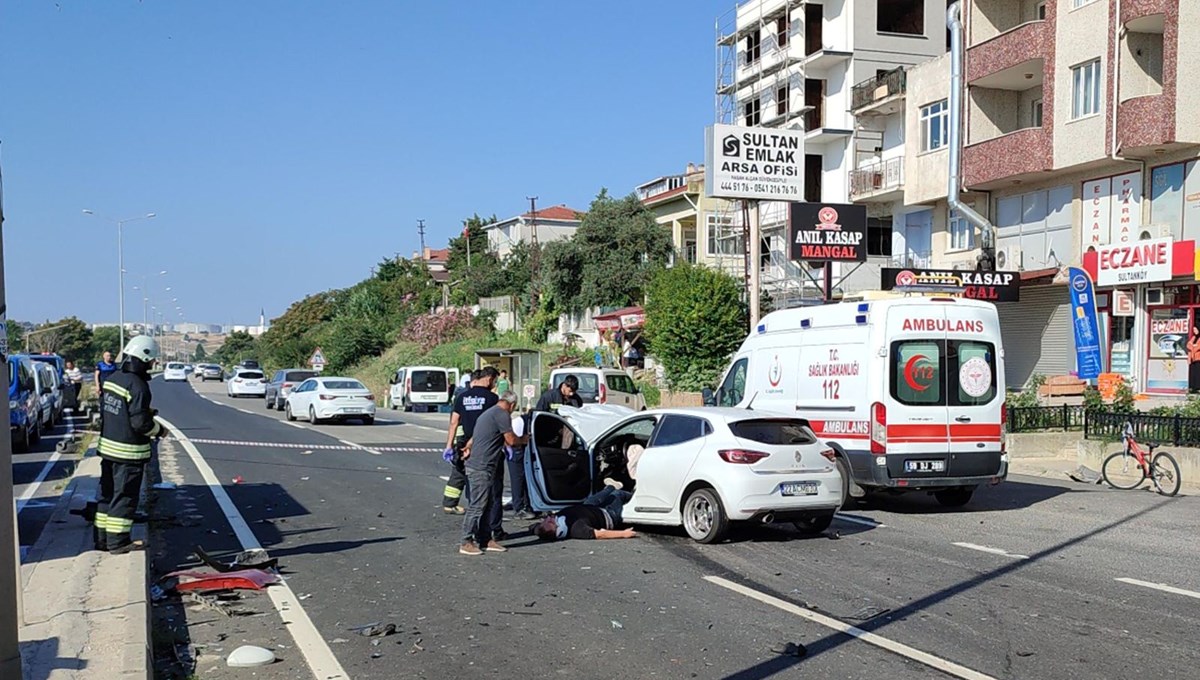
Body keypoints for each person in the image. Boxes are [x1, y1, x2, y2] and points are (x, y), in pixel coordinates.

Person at [95, 336, 165, 553]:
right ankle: (118, 542)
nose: (152, 365)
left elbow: (116, 413)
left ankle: (102, 540)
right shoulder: (139, 386)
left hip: (108, 449)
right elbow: (140, 424)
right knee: (124, 497)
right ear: (143, 358)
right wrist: (159, 430)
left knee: (108, 496)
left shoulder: (113, 379)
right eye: (151, 361)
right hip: (128, 453)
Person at [460, 391, 527, 556]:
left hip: (485, 465)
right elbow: (511, 440)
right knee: (477, 505)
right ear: (511, 405)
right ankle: (466, 541)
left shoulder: (488, 413)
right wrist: (524, 439)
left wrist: (468, 447)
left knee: (488, 504)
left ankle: (485, 538)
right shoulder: (502, 415)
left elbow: (474, 438)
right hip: (481, 466)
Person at [442, 368, 498, 514]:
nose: (495, 384)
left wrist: (448, 446)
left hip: (462, 441)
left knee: (460, 471)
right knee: (481, 474)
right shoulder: (492, 398)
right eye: (495, 381)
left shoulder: (462, 397)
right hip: (483, 443)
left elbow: (454, 422)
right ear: (489, 379)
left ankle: (450, 503)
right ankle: (477, 504)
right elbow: (495, 421)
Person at [530, 486, 637, 541]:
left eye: (546, 520)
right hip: (608, 514)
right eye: (550, 522)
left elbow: (535, 528)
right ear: (559, 531)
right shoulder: (577, 530)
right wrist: (624, 534)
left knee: (605, 492)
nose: (549, 518)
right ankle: (638, 495)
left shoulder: (554, 521)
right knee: (617, 494)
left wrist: (534, 528)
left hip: (589, 507)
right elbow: (600, 534)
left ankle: (611, 486)